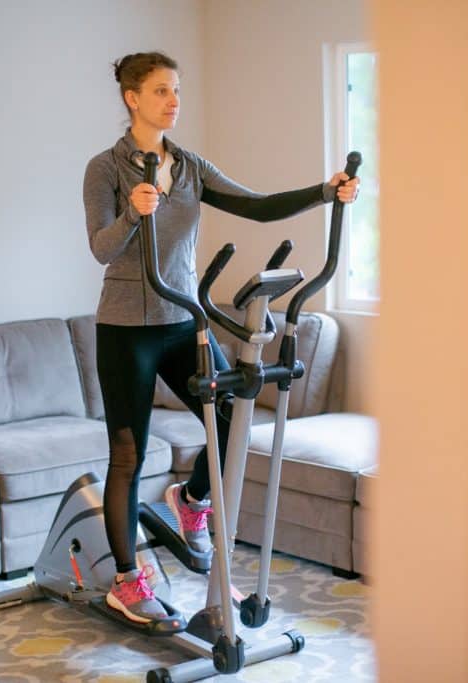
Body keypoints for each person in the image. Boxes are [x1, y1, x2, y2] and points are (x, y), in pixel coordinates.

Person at [83, 51, 360, 625]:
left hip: (182, 317)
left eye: (177, 90)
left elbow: (257, 207)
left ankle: (192, 500)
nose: (174, 100)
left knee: (233, 422)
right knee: (127, 455)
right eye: (161, 91)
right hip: (126, 330)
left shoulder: (189, 167)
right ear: (132, 99)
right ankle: (128, 581)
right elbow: (101, 248)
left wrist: (324, 193)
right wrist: (134, 213)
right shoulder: (105, 169)